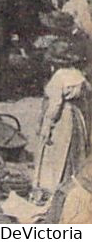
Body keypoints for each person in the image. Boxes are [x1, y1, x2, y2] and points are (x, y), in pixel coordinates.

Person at [32, 37, 89, 197]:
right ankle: (73, 186)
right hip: (76, 117)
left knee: (56, 151)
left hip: (62, 118)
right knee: (75, 152)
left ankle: (53, 189)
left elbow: (55, 104)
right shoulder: (78, 75)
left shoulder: (59, 76)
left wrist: (47, 125)